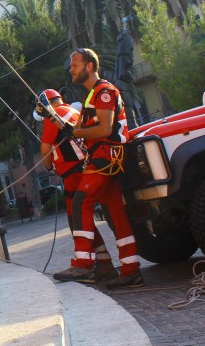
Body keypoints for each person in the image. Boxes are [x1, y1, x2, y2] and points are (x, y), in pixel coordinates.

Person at [52, 48, 144, 289]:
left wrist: (75, 132)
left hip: (106, 157)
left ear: (89, 66)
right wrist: (58, 122)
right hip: (100, 156)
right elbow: (79, 129)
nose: (70, 69)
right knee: (115, 213)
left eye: (75, 65)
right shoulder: (91, 96)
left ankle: (83, 265)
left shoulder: (104, 92)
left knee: (82, 201)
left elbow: (104, 130)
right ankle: (131, 269)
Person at [36, 88, 117, 283]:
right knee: (86, 217)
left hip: (73, 172)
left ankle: (84, 265)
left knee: (77, 219)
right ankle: (104, 262)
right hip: (87, 166)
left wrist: (49, 168)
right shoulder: (73, 112)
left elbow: (46, 148)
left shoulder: (53, 116)